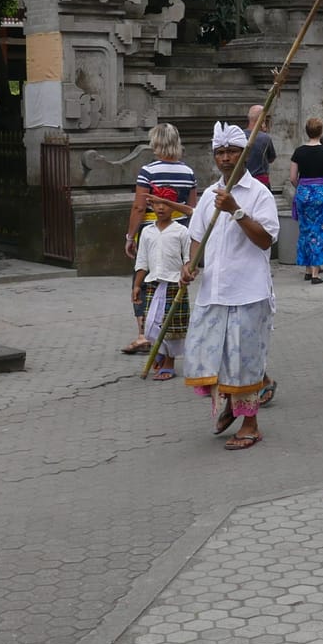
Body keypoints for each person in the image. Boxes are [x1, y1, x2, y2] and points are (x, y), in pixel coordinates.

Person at [181, 122, 279, 450]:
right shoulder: (209, 194)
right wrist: (190, 266)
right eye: (220, 152)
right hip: (214, 291)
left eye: (232, 152)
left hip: (248, 291)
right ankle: (230, 406)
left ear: (245, 154)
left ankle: (251, 425)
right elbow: (197, 238)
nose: (225, 158)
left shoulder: (259, 194)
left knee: (244, 360)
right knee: (213, 357)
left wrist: (236, 211)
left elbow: (265, 241)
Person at [124, 122, 197, 354]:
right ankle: (168, 331)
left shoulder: (148, 171)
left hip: (152, 231)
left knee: (145, 279)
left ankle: (143, 333)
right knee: (172, 283)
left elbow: (138, 207)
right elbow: (192, 207)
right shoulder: (189, 172)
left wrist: (130, 236)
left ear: (156, 143)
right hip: (180, 233)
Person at [133, 187, 190, 379]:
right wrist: (136, 285)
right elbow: (142, 260)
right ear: (151, 206)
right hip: (153, 283)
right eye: (156, 203)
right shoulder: (147, 232)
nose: (160, 208)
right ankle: (159, 352)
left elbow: (189, 258)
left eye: (165, 203)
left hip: (174, 283)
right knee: (150, 325)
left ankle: (169, 362)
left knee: (170, 326)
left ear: (173, 207)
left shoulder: (181, 231)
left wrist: (187, 271)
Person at [288, 117, 323, 284]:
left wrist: (302, 187)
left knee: (306, 230)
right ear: (321, 131)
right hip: (321, 192)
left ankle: (308, 270)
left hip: (303, 192)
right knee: (320, 230)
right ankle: (316, 273)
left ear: (306, 131)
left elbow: (292, 178)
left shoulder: (298, 152)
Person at [245, 105, 278, 186]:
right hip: (261, 182)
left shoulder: (239, 135)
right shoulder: (265, 138)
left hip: (243, 180)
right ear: (263, 119)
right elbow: (271, 158)